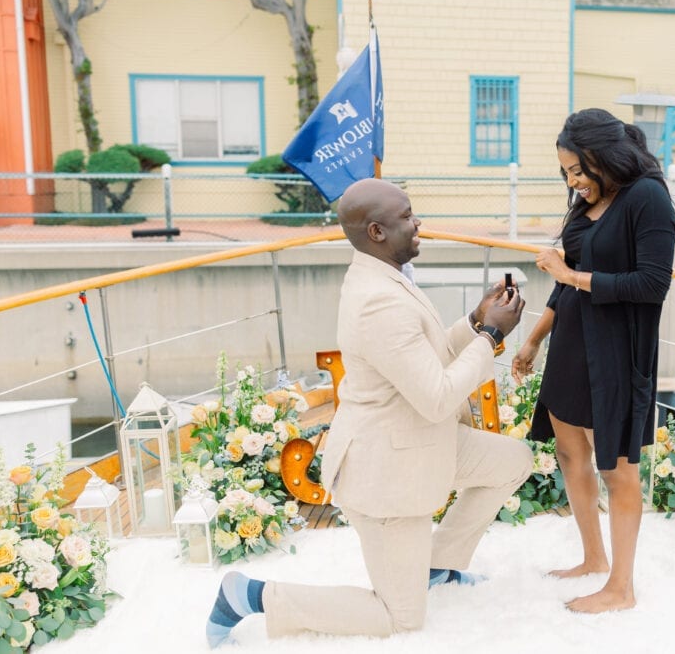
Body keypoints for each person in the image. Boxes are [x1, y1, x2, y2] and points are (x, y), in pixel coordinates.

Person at [207, 177, 533, 647]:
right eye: (406, 217)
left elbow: (428, 353)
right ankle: (250, 596)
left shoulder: (382, 275)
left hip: (420, 440)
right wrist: (491, 338)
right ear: (377, 232)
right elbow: (437, 395)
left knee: (513, 460)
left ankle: (436, 569)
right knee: (399, 618)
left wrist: (476, 322)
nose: (418, 222)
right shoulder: (377, 300)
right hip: (388, 471)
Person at [511, 108, 675, 613]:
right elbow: (570, 277)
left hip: (617, 352)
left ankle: (621, 589)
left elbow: (652, 285)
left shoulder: (647, 197)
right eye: (566, 172)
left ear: (607, 157)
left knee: (618, 469)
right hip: (571, 343)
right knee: (569, 452)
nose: (573, 181)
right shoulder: (589, 199)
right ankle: (593, 558)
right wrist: (535, 338)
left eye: (579, 171)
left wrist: (570, 273)